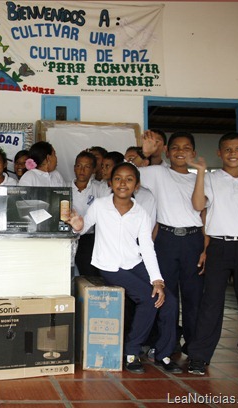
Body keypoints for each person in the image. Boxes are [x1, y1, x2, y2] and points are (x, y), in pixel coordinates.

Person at [68, 162, 181, 374]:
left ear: (136, 186)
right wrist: (77, 225)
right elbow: (84, 229)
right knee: (148, 299)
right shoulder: (100, 205)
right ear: (111, 183)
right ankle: (131, 351)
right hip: (109, 266)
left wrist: (157, 280)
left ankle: (163, 353)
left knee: (170, 301)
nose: (123, 183)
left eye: (129, 179)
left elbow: (147, 248)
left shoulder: (140, 213)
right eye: (118, 178)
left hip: (134, 262)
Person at [186, 132, 238, 375]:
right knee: (211, 302)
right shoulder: (210, 179)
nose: (233, 153)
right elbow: (199, 206)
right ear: (219, 153)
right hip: (219, 246)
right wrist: (201, 173)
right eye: (228, 149)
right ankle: (199, 356)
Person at [140, 131, 205, 355]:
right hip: (166, 239)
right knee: (166, 295)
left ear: (194, 153)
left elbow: (205, 213)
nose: (180, 151)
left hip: (193, 239)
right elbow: (128, 173)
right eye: (175, 147)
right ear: (166, 151)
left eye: (186, 148)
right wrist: (145, 153)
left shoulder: (201, 177)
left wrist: (205, 247)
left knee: (193, 296)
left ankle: (194, 346)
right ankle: (165, 344)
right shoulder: (159, 173)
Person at [70, 151, 110, 278]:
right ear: (74, 167)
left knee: (88, 272)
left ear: (93, 169)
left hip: (90, 238)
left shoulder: (99, 188)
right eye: (79, 165)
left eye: (87, 167)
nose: (82, 170)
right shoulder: (64, 187)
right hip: (67, 237)